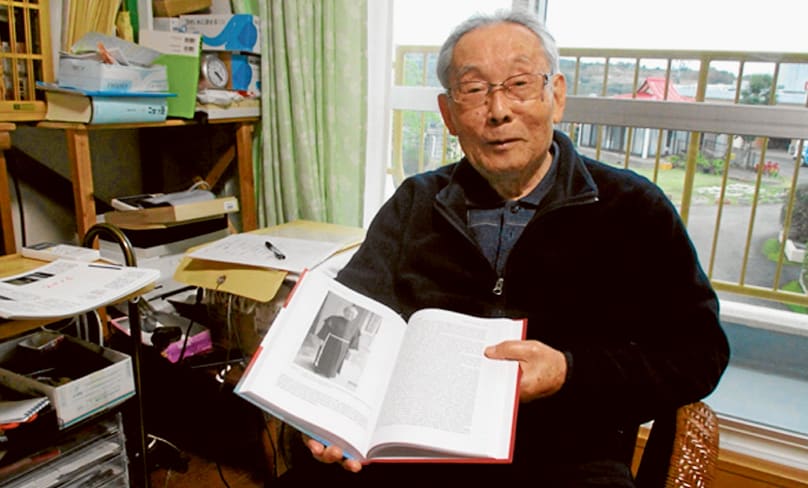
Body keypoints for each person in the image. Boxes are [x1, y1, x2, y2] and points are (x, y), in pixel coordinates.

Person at [276, 8, 729, 487]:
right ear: (448, 114)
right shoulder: (417, 201)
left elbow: (699, 353)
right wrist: (325, 413)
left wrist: (568, 372)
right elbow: (355, 312)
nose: (498, 111)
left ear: (556, 96)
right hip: (409, 450)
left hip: (566, 454)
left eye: (519, 84)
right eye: (473, 90)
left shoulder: (632, 209)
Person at [312, 305, 361, 377]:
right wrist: (322, 339)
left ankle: (330, 373)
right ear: (344, 312)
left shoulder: (355, 327)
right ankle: (320, 369)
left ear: (354, 316)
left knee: (336, 360)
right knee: (326, 355)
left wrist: (351, 349)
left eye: (352, 314)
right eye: (348, 312)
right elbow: (326, 329)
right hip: (331, 342)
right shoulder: (334, 319)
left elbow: (355, 339)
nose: (350, 314)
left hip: (343, 347)